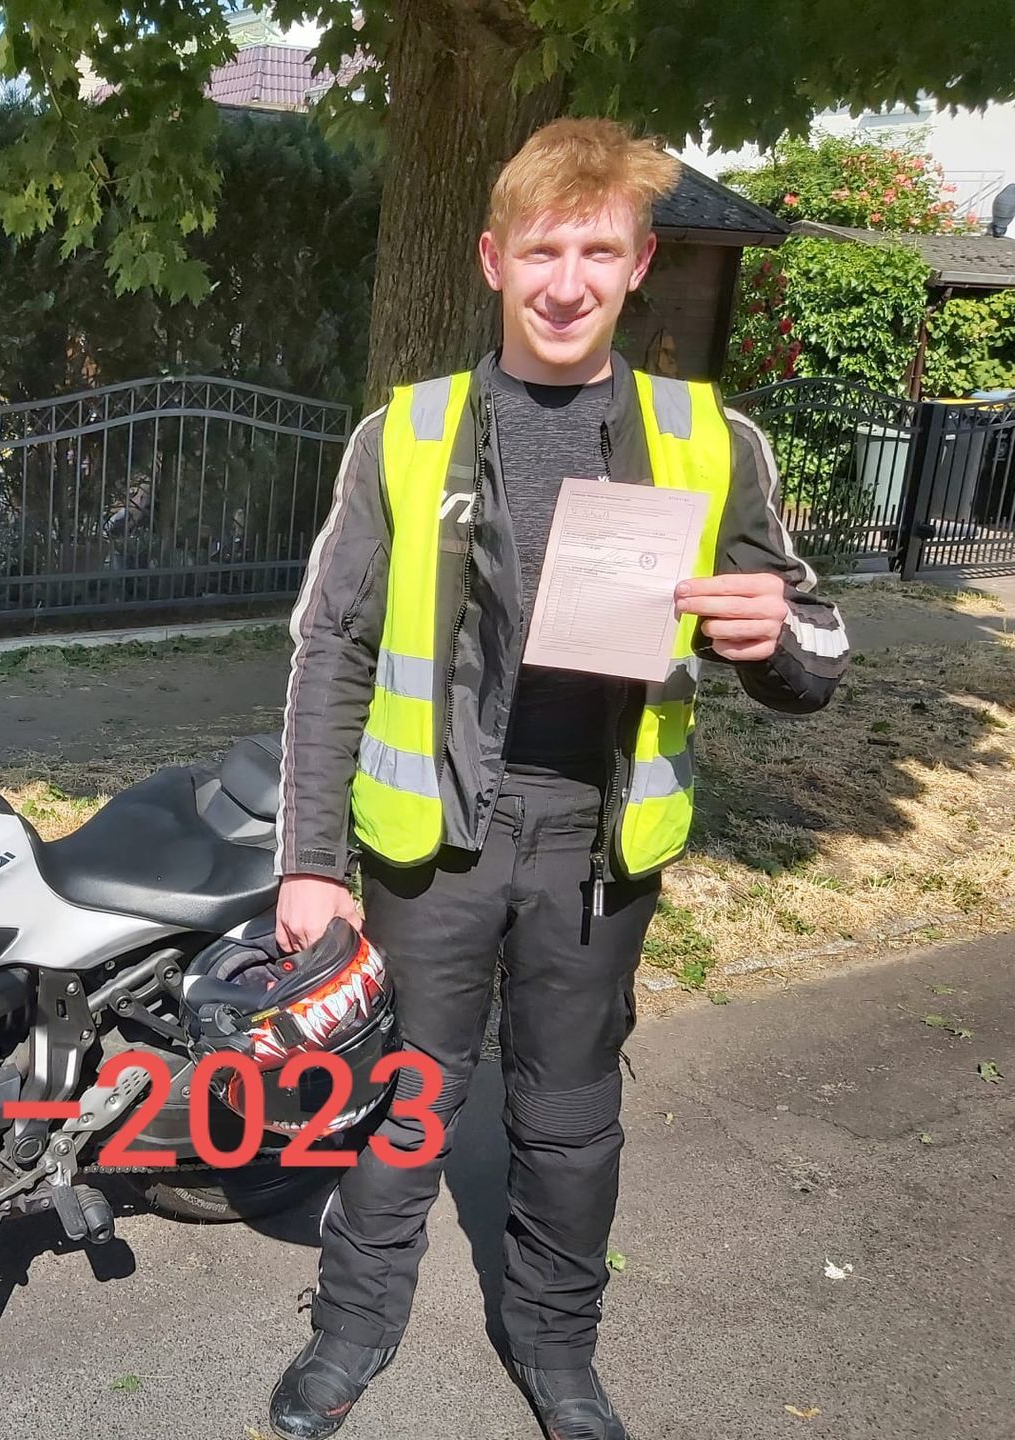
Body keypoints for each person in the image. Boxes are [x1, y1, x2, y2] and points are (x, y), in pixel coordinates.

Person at [266, 118, 848, 1440]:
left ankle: (556, 1344)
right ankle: (352, 1332)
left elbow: (813, 650)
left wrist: (775, 640)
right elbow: (331, 648)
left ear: (638, 265)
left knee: (571, 1119)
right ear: (493, 260)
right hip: (433, 843)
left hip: (597, 845)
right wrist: (309, 864)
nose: (568, 282)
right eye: (542, 252)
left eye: (598, 252)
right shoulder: (403, 436)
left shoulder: (711, 440)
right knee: (402, 1101)